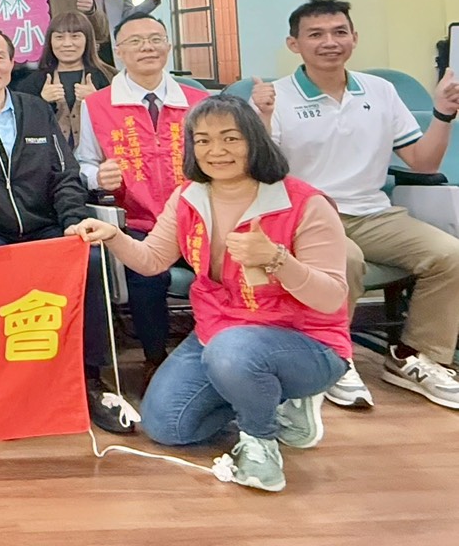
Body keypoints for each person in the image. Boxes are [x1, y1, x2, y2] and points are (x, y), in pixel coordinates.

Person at [74, 97, 352, 493]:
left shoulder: (305, 203)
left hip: (306, 342)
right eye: (203, 140)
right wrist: (114, 237)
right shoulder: (188, 196)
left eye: (230, 138)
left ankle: (260, 441)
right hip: (217, 332)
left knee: (233, 351)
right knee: (166, 425)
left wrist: (277, 260)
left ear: (255, 140)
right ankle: (271, 401)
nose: (215, 151)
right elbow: (152, 261)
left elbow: (331, 298)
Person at [251, 0, 459, 410]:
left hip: (373, 213)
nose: (330, 42)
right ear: (294, 44)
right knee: (345, 260)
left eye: (339, 32)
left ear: (354, 38)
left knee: (450, 255)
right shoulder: (274, 97)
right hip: (305, 216)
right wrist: (263, 118)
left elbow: (424, 162)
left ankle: (414, 356)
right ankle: (333, 358)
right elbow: (259, 174)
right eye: (316, 34)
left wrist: (442, 113)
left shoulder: (380, 91)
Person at [0, 26, 132, 435]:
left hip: (45, 227)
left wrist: (73, 221)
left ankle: (90, 377)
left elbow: (65, 174)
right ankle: (2, 385)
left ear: (12, 62)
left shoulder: (35, 109)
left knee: (89, 261)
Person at [75, 15, 207, 383]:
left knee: (224, 269)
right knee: (146, 276)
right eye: (135, 41)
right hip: (136, 219)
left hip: (195, 216)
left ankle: (217, 352)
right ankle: (155, 360)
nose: (147, 47)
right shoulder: (97, 105)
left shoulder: (199, 102)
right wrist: (97, 176)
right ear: (118, 52)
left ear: (168, 46)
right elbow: (84, 162)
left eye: (155, 39)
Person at [13, 11, 114, 147]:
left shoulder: (108, 77)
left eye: (75, 36)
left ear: (88, 40)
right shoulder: (33, 81)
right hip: (50, 157)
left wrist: (98, 101)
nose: (67, 44)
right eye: (59, 37)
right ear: (50, 41)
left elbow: (124, 121)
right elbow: (18, 125)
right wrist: (40, 102)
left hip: (101, 154)